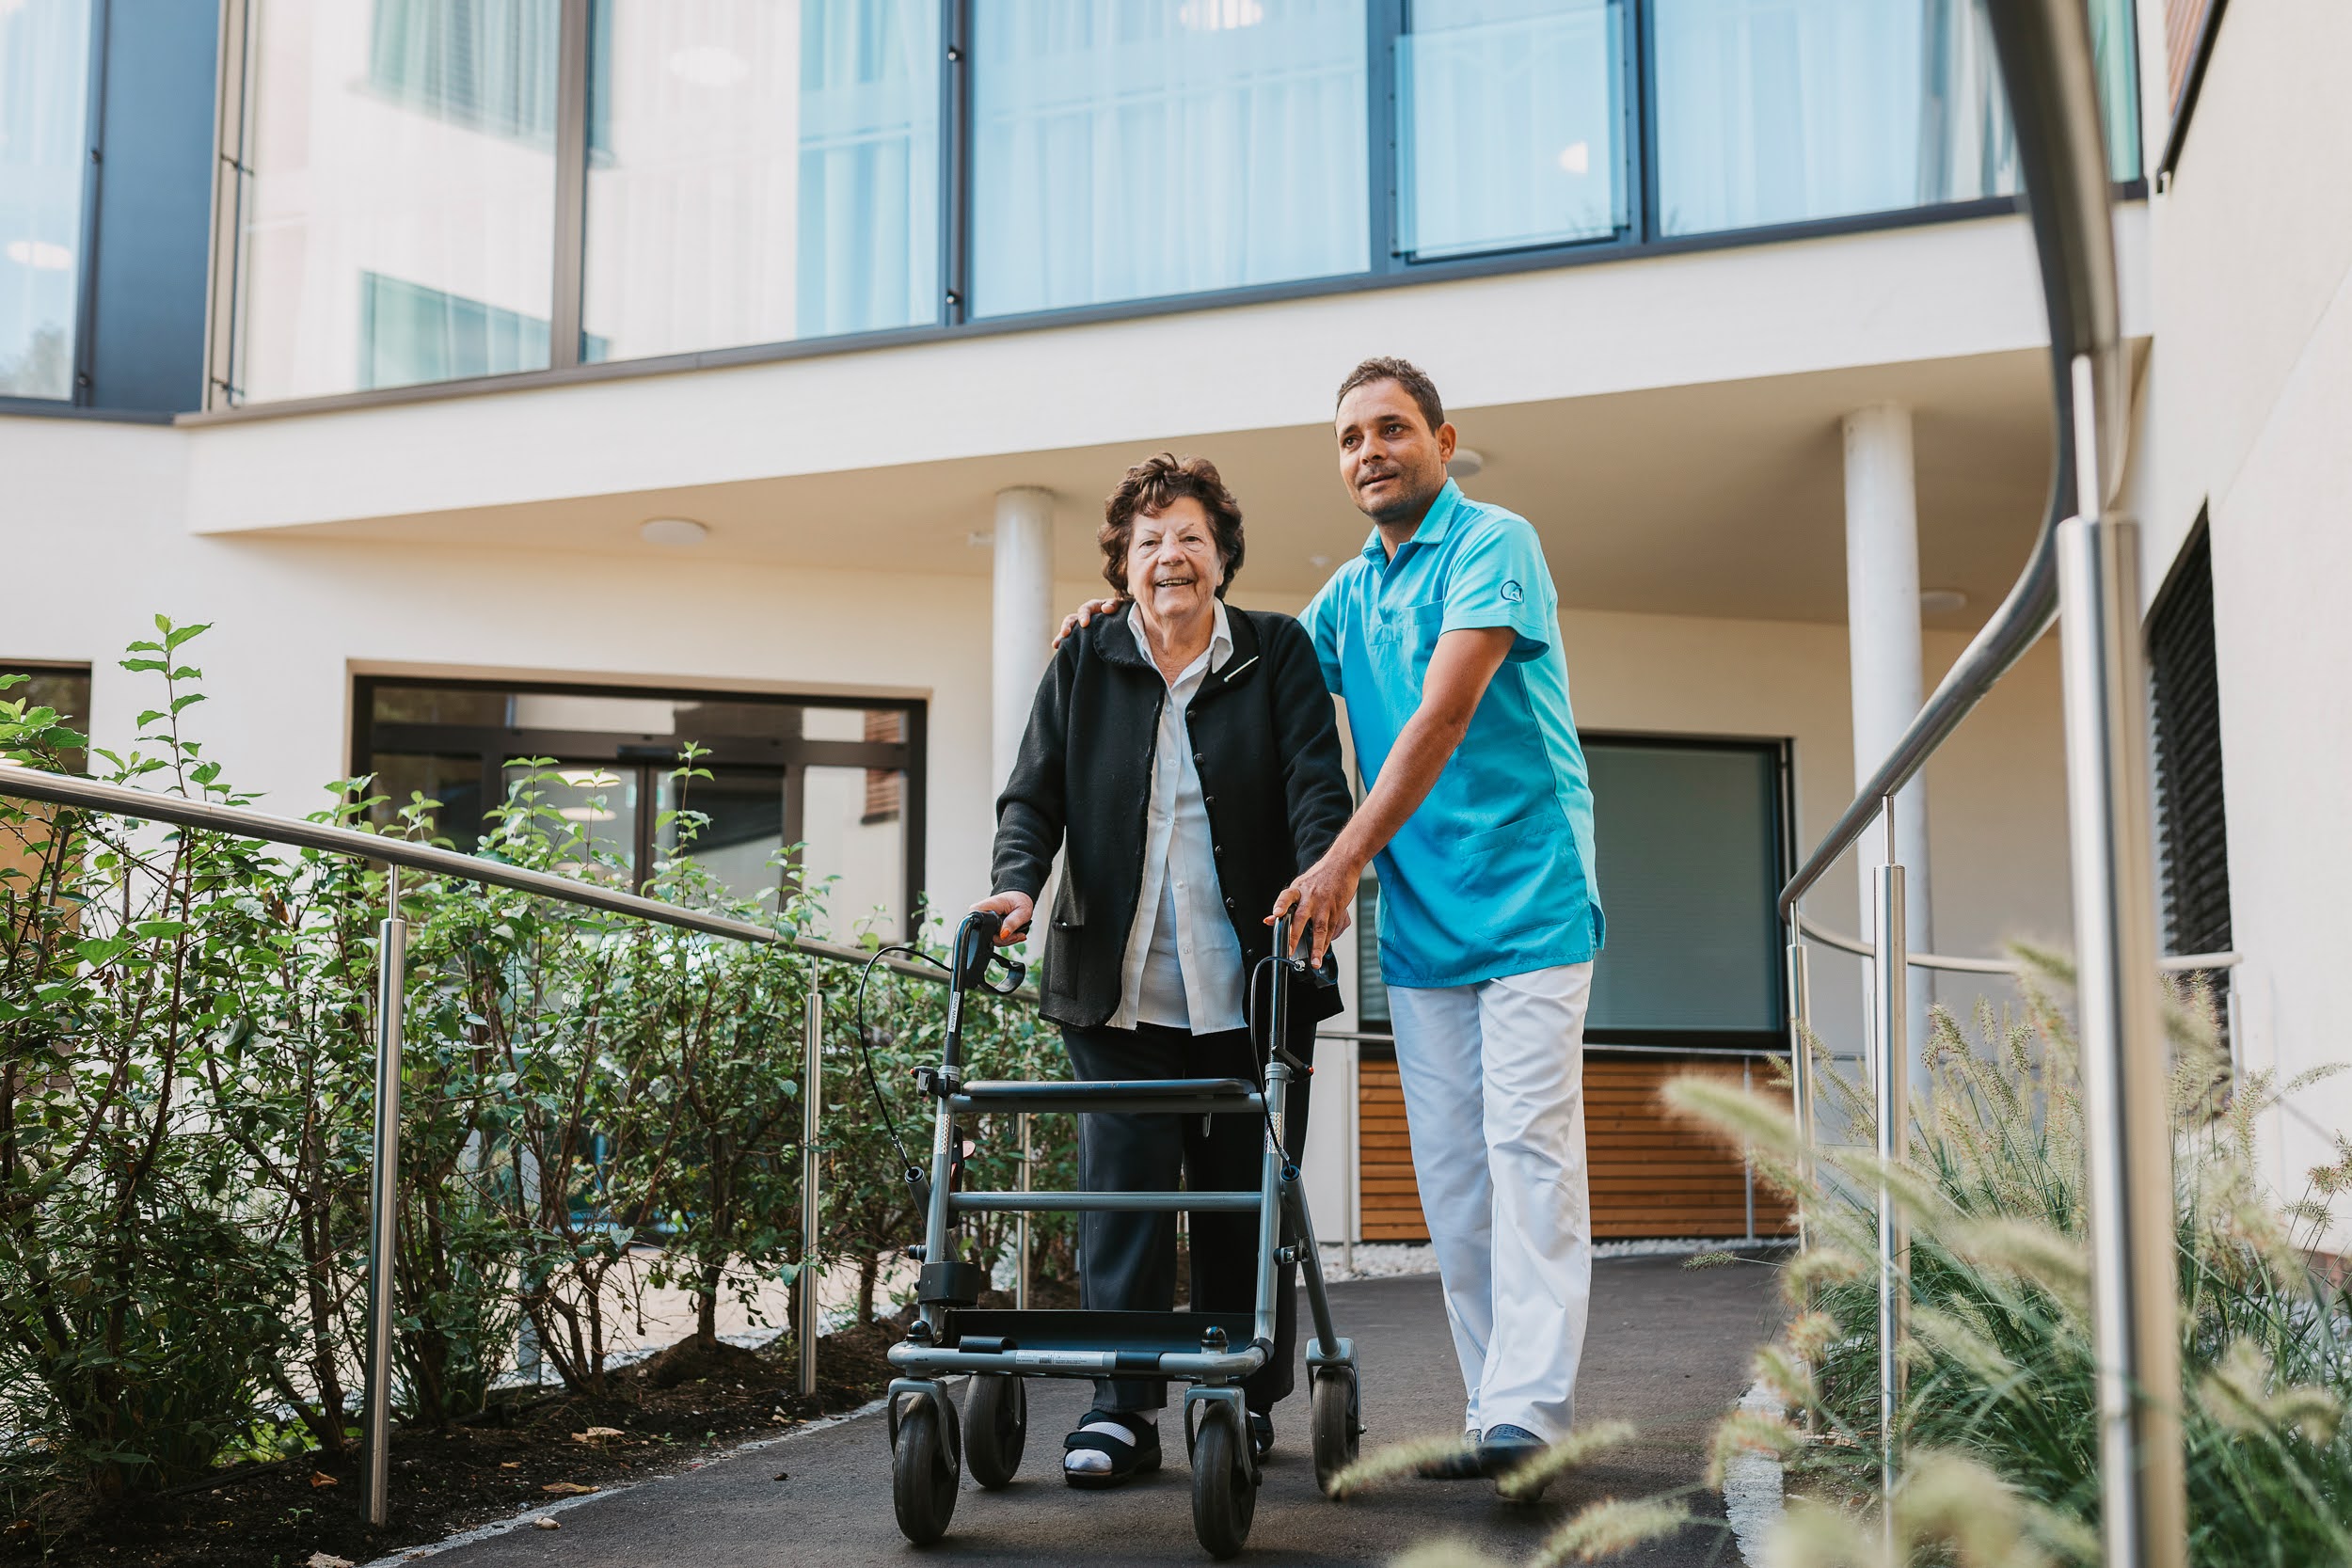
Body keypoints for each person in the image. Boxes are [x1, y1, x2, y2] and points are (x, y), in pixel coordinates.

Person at [1059, 358, 1602, 1493]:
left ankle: (1530, 1411)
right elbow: (1241, 653)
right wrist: (1132, 607)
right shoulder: (1350, 593)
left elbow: (1444, 714)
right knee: (1454, 1172)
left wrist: (1337, 860)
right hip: (1426, 920)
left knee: (1527, 1151)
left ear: (1443, 441)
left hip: (1531, 899)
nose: (1370, 451)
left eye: (1392, 429)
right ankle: (1492, 1403)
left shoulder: (1496, 542)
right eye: (1351, 437)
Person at [976, 452, 1352, 1490]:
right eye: (1147, 541)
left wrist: (1320, 875)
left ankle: (1235, 1390)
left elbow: (1317, 785)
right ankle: (1122, 1407)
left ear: (1222, 554)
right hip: (1118, 980)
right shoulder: (1087, 656)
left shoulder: (1275, 652)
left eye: (1188, 535)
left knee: (1243, 1194)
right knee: (1126, 1195)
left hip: (1256, 981)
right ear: (1122, 564)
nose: (1169, 556)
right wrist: (1015, 885)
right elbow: (1033, 795)